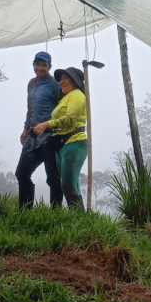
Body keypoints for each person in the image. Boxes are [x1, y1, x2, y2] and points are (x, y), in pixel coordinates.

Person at [32, 66, 88, 210]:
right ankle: (80, 219)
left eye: (65, 78)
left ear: (75, 81)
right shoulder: (65, 98)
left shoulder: (77, 95)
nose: (61, 82)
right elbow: (61, 124)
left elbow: (70, 119)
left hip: (74, 143)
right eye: (60, 79)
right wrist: (44, 129)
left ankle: (79, 221)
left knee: (68, 185)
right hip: (63, 145)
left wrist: (47, 124)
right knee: (71, 184)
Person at [15, 52, 63, 208]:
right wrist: (25, 128)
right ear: (34, 65)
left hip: (49, 136)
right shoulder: (31, 83)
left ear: (49, 67)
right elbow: (31, 108)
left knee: (53, 178)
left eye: (44, 65)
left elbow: (62, 108)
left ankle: (55, 214)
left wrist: (54, 127)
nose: (40, 68)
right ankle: (24, 210)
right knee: (22, 173)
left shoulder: (55, 84)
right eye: (38, 64)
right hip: (32, 135)